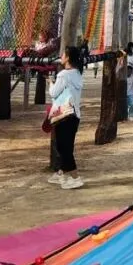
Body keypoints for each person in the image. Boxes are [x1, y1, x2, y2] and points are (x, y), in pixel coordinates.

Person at [47, 46, 85, 189]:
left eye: (63, 54)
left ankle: (75, 177)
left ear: (68, 57)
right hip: (74, 115)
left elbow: (54, 93)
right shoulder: (78, 73)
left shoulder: (63, 75)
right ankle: (61, 173)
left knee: (64, 148)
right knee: (65, 146)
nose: (61, 56)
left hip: (64, 115)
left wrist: (50, 83)